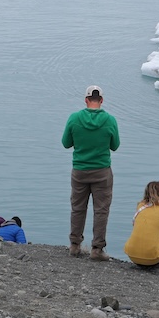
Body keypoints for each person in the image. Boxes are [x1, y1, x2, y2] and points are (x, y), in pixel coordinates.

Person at [61, 85, 120, 261]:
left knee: (78, 208)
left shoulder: (74, 118)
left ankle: (74, 245)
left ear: (86, 100)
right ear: (101, 100)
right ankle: (97, 249)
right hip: (102, 171)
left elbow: (66, 143)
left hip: (79, 170)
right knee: (101, 210)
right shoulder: (110, 120)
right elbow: (115, 146)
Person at [123, 181, 159, 270]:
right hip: (153, 259)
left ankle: (141, 260)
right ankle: (157, 264)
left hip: (132, 256)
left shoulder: (140, 206)